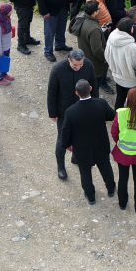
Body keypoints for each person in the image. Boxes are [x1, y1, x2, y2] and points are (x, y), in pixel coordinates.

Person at [58, 79, 117, 205]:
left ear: (77, 93)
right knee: (105, 167)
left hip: (82, 149)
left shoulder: (71, 111)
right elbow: (112, 115)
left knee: (85, 172)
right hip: (101, 145)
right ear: (90, 89)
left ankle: (91, 196)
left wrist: (67, 144)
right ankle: (111, 189)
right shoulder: (101, 103)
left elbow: (65, 131)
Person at [47, 49, 97, 180]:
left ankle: (76, 157)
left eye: (80, 65)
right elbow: (52, 92)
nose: (78, 67)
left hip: (83, 109)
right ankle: (61, 166)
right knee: (62, 140)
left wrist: (95, 105)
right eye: (75, 65)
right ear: (69, 59)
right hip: (64, 111)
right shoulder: (58, 70)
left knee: (81, 136)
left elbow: (94, 85)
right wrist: (52, 112)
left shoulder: (88, 65)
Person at [110, 87, 136, 213]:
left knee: (123, 178)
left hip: (123, 153)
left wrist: (119, 142)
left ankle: (122, 203)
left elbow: (114, 132)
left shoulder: (121, 113)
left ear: (128, 99)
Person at [71, 0, 111, 93]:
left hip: (86, 56)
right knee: (94, 88)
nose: (99, 10)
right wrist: (105, 58)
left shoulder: (82, 19)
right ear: (94, 13)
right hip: (95, 64)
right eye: (98, 9)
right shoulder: (94, 28)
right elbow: (97, 49)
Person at [104, 18, 136, 112]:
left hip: (117, 76)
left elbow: (106, 54)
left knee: (120, 99)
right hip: (132, 80)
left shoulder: (112, 37)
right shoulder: (132, 47)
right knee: (134, 103)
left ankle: (118, 120)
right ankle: (132, 122)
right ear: (130, 28)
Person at [0, 3, 15, 85]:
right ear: (5, 12)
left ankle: (4, 74)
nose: (12, 11)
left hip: (7, 46)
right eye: (10, 10)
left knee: (5, 62)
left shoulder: (7, 19)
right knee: (1, 63)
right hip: (2, 49)